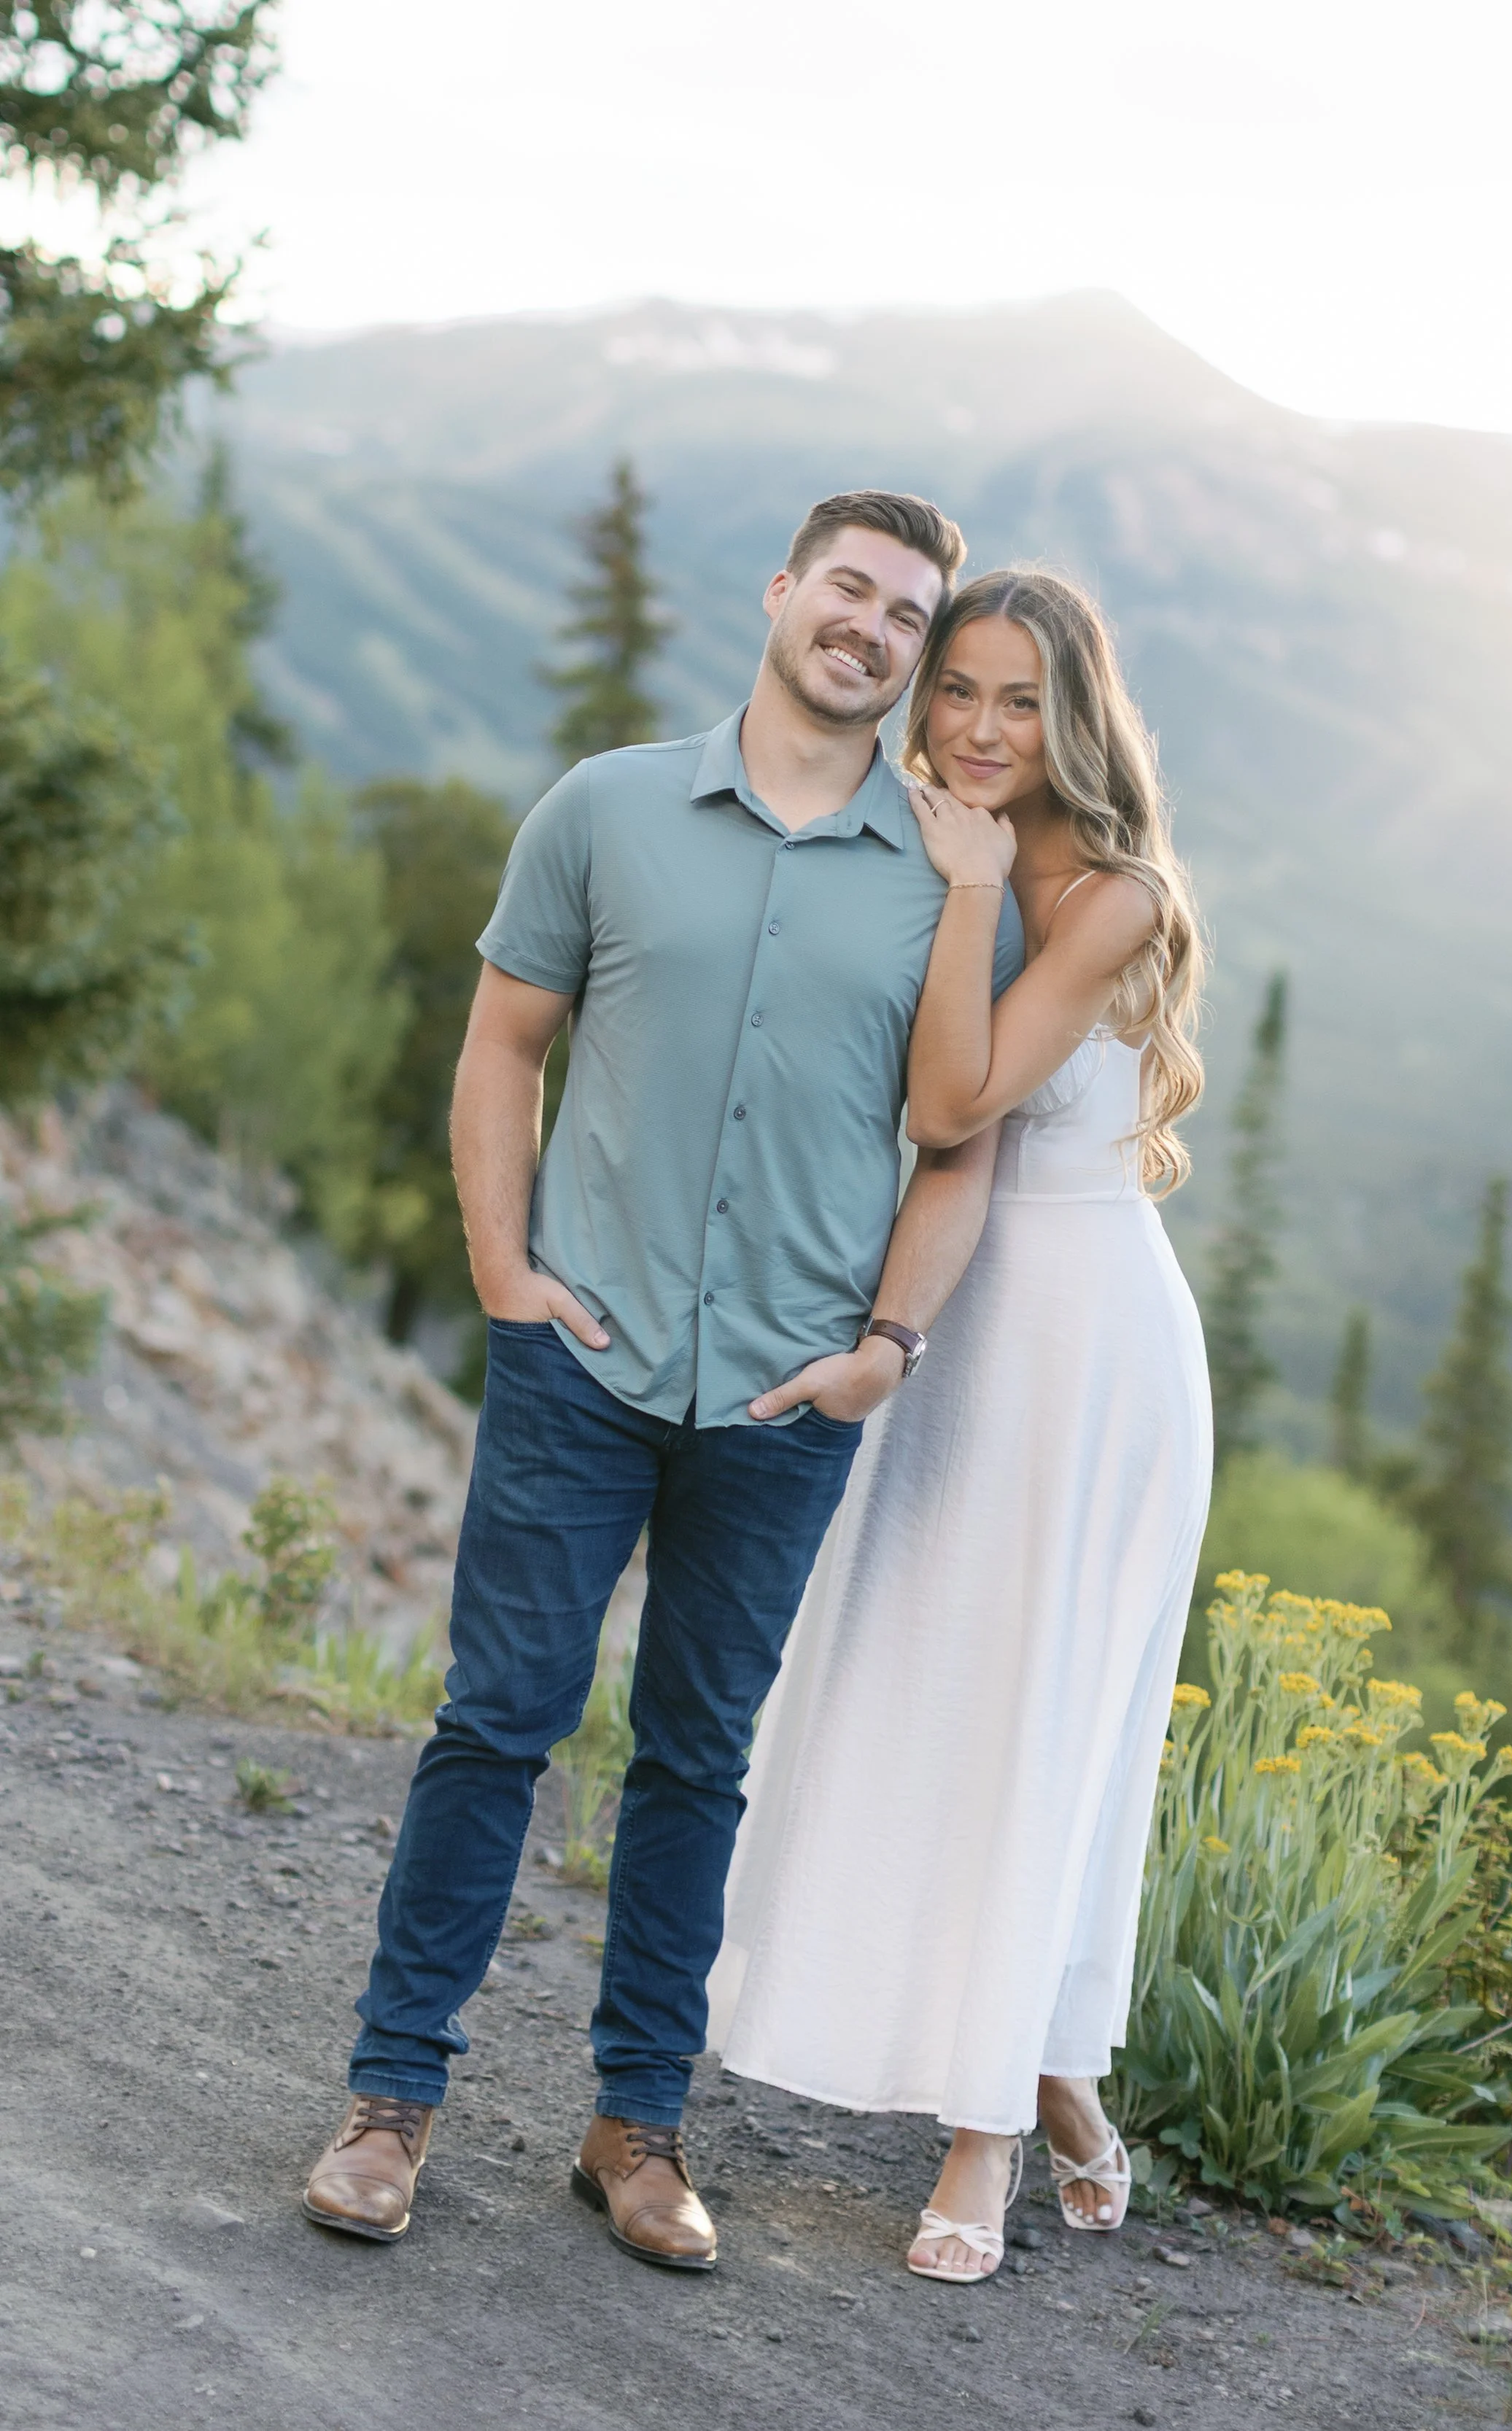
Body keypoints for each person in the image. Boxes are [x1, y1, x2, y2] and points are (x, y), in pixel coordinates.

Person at [302, 491, 1025, 2271]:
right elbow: (503, 1045)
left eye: (904, 614)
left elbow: (958, 1146)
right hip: (585, 1357)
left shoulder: (950, 881)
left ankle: (636, 2128)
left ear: (916, 655)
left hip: (784, 1396)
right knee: (498, 1720)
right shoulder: (605, 809)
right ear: (780, 593)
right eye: (846, 588)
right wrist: (504, 1273)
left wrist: (883, 1351)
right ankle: (390, 2103)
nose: (868, 627)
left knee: (697, 1759)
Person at [709, 568, 1212, 2284]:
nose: (979, 728)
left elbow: (950, 1100)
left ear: (1071, 716)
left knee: (1040, 1720)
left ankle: (984, 2130)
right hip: (946, 1324)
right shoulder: (921, 841)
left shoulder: (1114, 895)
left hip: (1085, 1347)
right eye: (956, 691)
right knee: (919, 1696)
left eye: (1017, 699)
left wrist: (974, 883)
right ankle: (1057, 2077)